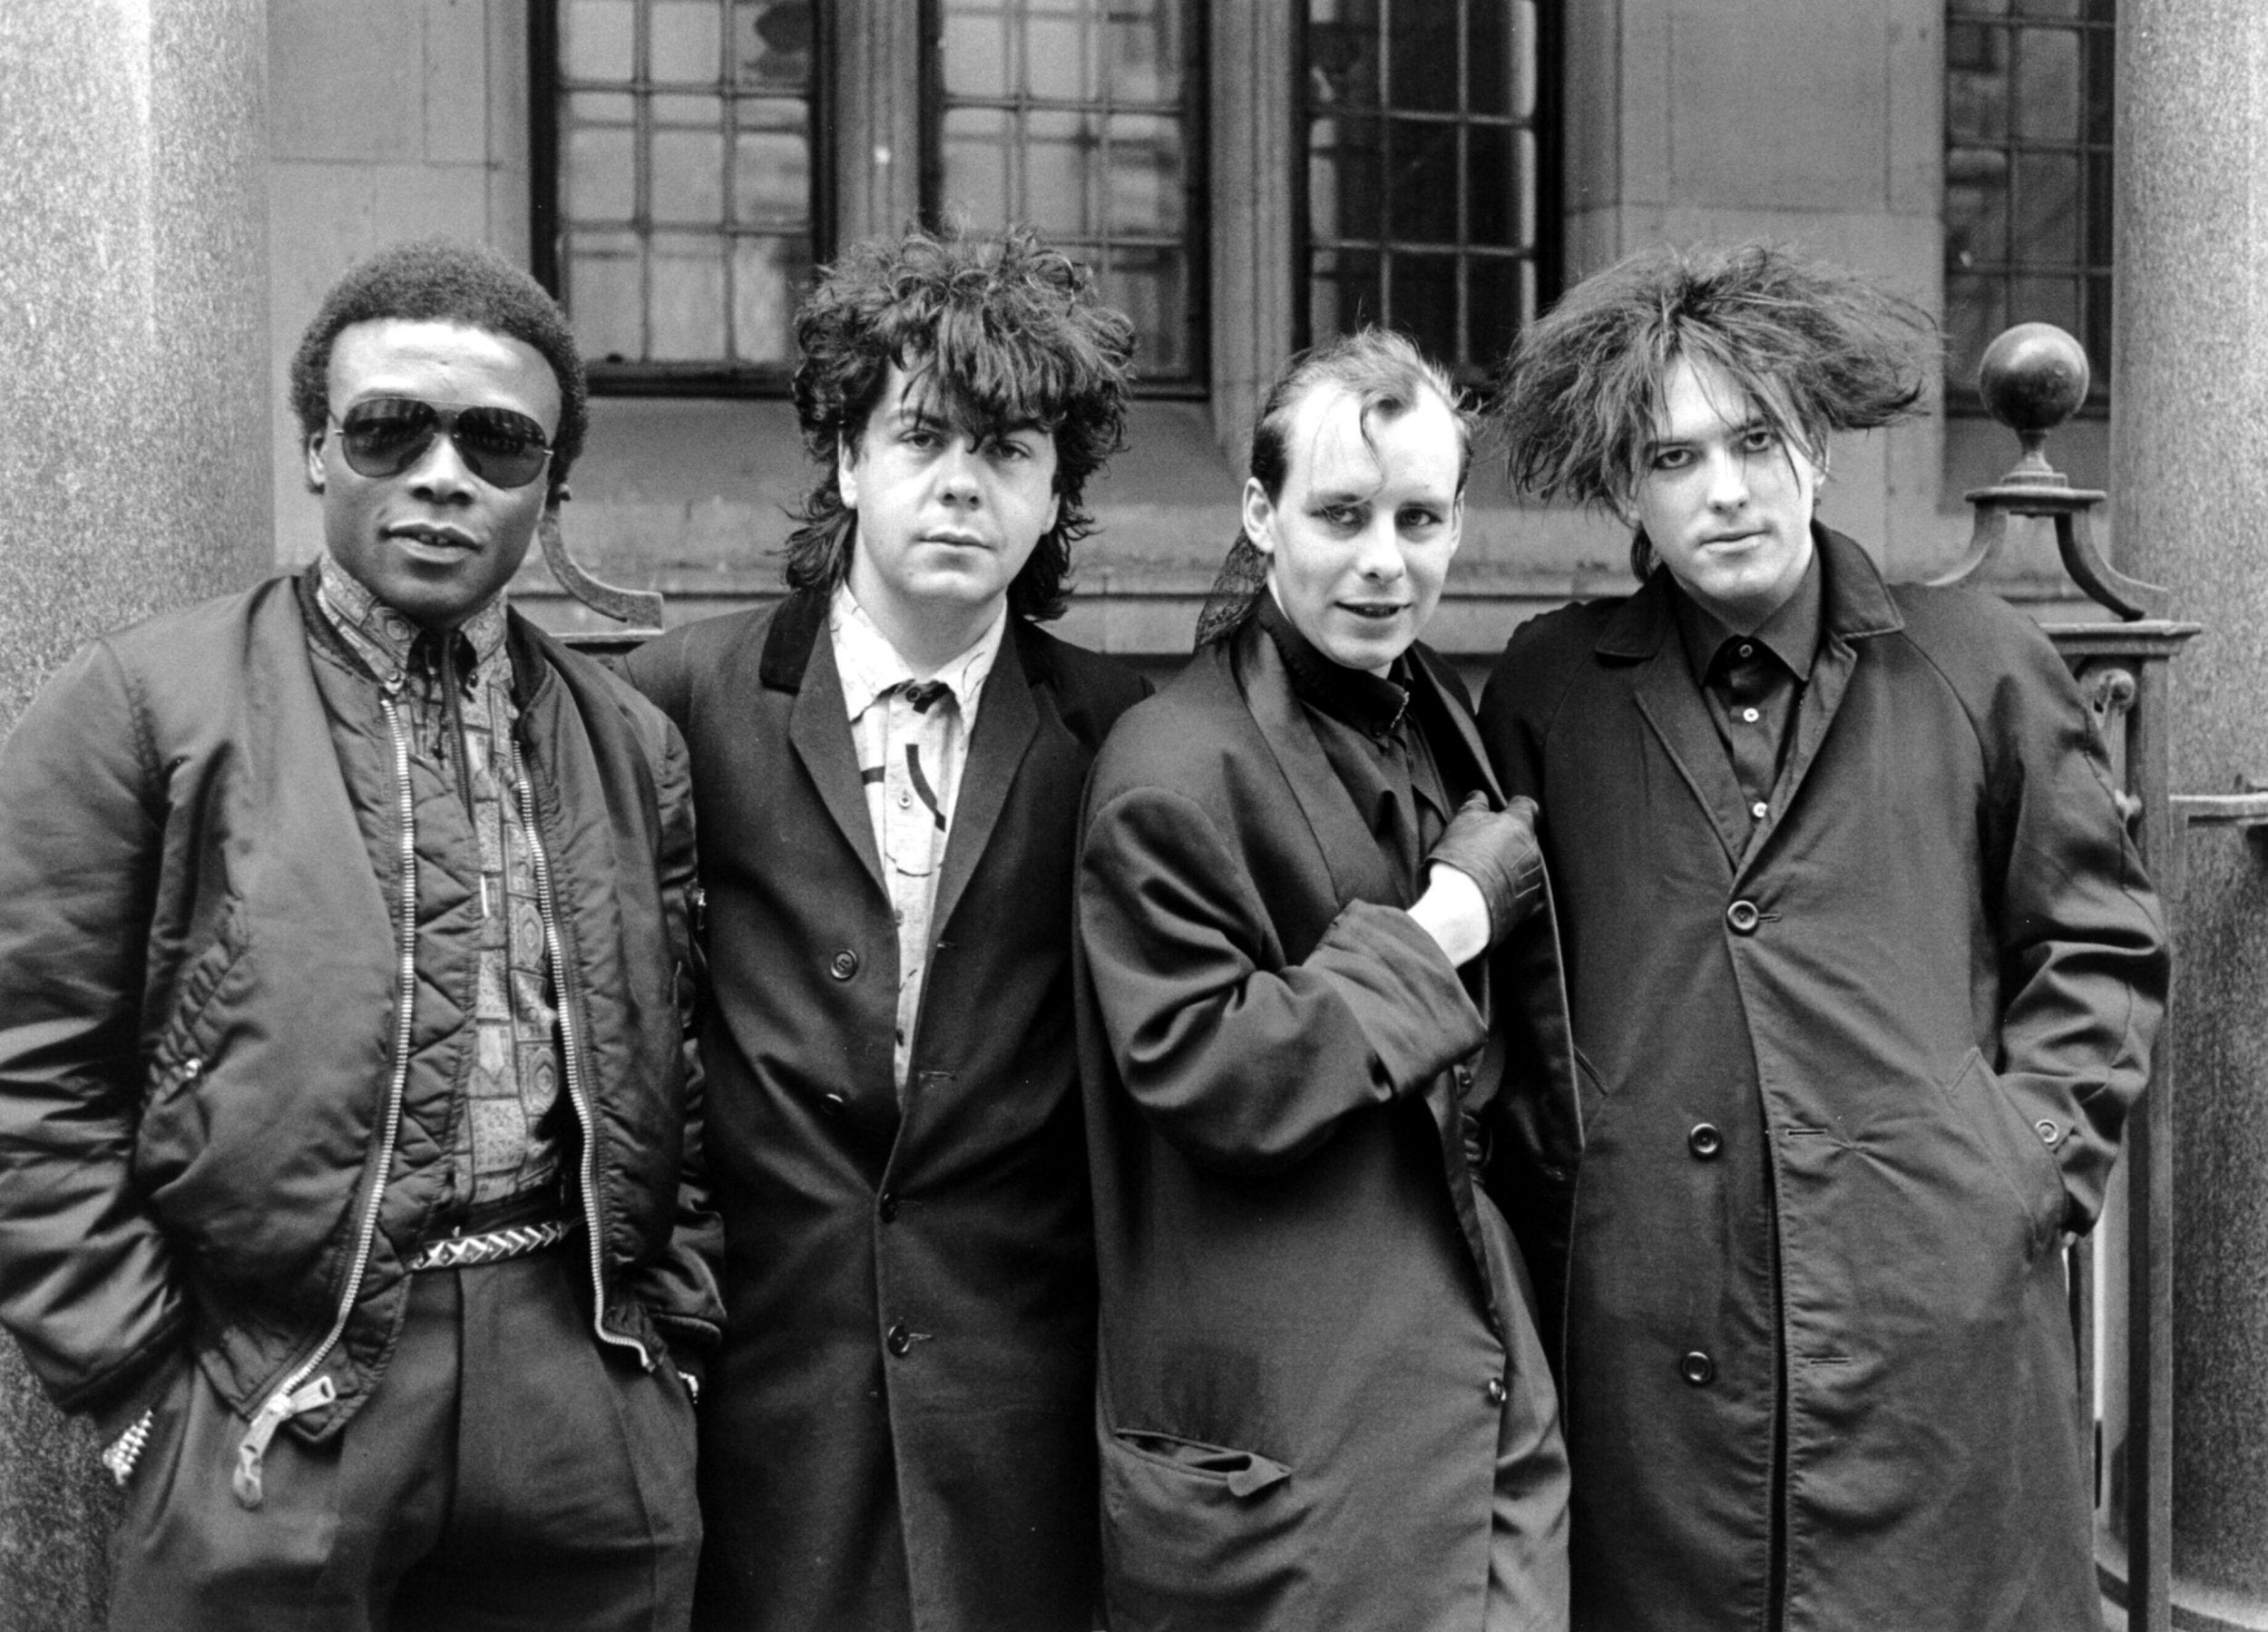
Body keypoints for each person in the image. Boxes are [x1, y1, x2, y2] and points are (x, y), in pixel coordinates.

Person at [0, 239, 720, 1631]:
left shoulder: (627, 738)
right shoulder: (146, 709)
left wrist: (667, 1348)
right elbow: (27, 1072)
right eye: (391, 428)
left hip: (583, 1381)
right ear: (320, 451)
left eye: (498, 443)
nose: (442, 474)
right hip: (269, 1399)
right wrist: (141, 1394)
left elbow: (673, 1055)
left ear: (550, 488)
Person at [1478, 242, 2169, 1631]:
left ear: (1818, 451)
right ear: (1629, 489)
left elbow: (2098, 943)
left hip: (1932, 1332)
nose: (1724, 491)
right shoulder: (1551, 689)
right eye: (1674, 461)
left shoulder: (1980, 666)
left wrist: (2018, 1165)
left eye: (1754, 440)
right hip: (1654, 1352)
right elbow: (1524, 1005)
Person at [622, 225, 1149, 1632]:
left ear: (1055, 497)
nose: (962, 483)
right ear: (848, 460)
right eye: (921, 437)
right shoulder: (679, 698)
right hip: (760, 1397)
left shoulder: (1122, 731)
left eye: (1011, 452)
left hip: (1016, 1416)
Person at [1075, 328, 1579, 1632]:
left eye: (1420, 518)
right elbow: (1215, 1071)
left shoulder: (1434, 710)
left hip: (1481, 1414)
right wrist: (1448, 920)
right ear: (1259, 511)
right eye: (1341, 515)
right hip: (1296, 1444)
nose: (1382, 561)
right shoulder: (1171, 764)